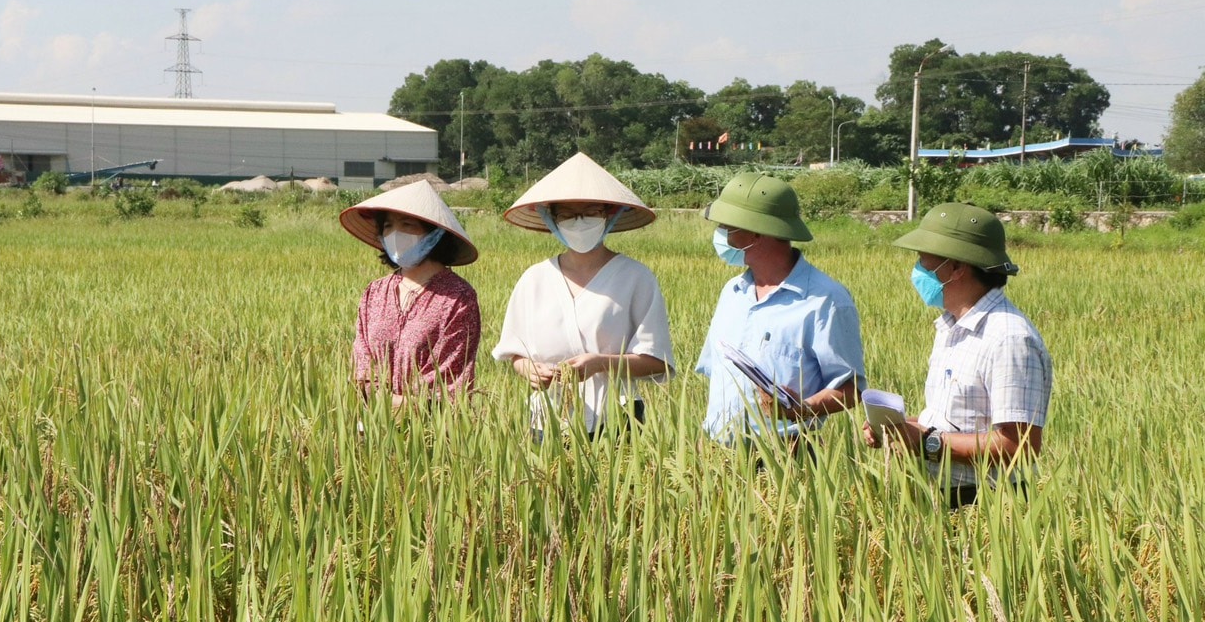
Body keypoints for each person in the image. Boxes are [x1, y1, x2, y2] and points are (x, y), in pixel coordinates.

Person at [864, 202, 1053, 508]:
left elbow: (1019, 445)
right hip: (939, 495)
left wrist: (926, 443)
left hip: (987, 504)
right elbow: (953, 421)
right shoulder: (952, 327)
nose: (918, 270)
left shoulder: (1008, 339)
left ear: (956, 267)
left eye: (925, 261)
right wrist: (899, 428)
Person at [493, 152, 674, 438]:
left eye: (591, 212)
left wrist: (600, 363)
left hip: (617, 416)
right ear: (551, 219)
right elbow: (515, 352)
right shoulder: (534, 279)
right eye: (567, 215)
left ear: (609, 214)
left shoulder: (636, 277)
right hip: (547, 417)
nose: (579, 222)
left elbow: (657, 361)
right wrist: (529, 369)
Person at [697, 173, 865, 451]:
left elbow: (850, 390)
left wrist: (803, 408)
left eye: (728, 226)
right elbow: (718, 376)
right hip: (719, 454)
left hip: (787, 457)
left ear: (755, 232)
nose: (722, 234)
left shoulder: (825, 300)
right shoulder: (732, 292)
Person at [340, 180, 481, 406]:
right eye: (388, 226)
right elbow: (362, 359)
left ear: (434, 234)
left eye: (407, 224)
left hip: (432, 427)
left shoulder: (458, 297)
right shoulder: (375, 293)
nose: (396, 234)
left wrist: (398, 405)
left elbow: (451, 374)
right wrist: (374, 395)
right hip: (372, 423)